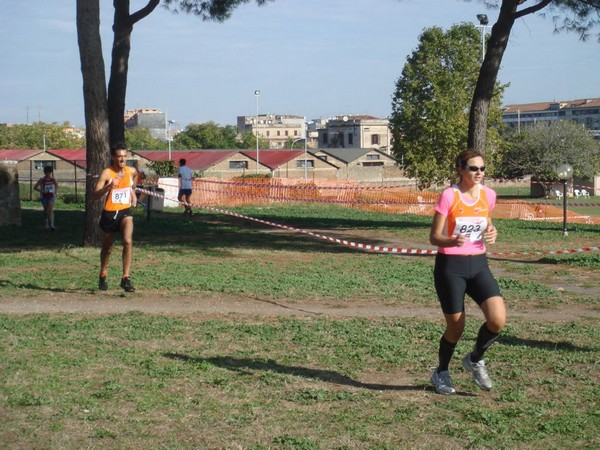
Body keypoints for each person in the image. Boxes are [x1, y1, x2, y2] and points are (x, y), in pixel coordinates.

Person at [429, 148, 506, 395]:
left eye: (482, 168)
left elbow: (486, 221)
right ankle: (441, 371)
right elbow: (434, 237)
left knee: (497, 319)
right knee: (456, 328)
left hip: (479, 265)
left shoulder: (489, 195)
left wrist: (492, 232)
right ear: (460, 169)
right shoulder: (449, 196)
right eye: (473, 168)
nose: (479, 173)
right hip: (451, 267)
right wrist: (452, 241)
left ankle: (475, 359)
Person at [93, 142, 138, 293]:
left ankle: (126, 278)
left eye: (125, 156)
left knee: (128, 240)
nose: (122, 159)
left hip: (125, 211)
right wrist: (109, 186)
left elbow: (136, 176)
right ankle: (103, 273)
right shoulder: (107, 173)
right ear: (113, 157)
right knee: (107, 248)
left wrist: (132, 192)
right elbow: (94, 196)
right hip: (109, 214)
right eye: (119, 156)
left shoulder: (130, 171)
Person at [34, 165, 58, 231]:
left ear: (51, 172)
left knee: (51, 209)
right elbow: (35, 187)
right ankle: (46, 223)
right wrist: (42, 191)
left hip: (51, 196)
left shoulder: (53, 179)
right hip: (44, 197)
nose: (48, 174)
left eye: (49, 172)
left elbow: (56, 185)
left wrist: (55, 191)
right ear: (44, 172)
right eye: (46, 172)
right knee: (46, 210)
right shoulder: (42, 179)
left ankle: (52, 225)